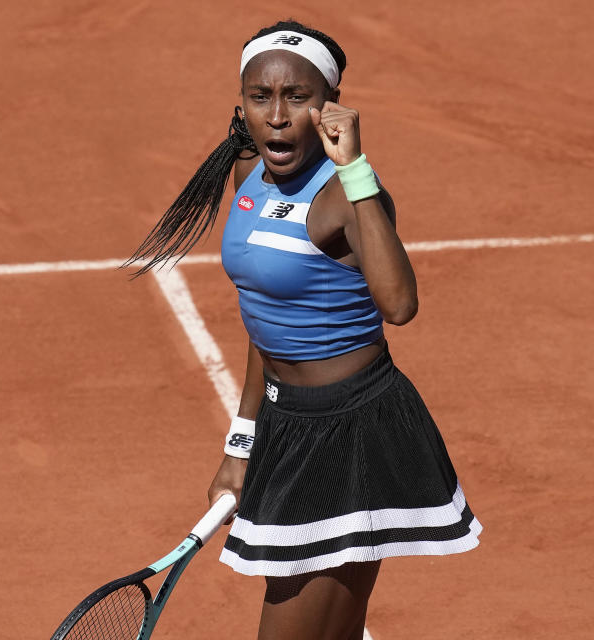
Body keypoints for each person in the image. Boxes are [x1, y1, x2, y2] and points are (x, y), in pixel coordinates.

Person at [126, 20, 482, 640]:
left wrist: (357, 170)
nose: (278, 116)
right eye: (261, 97)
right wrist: (242, 444)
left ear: (328, 107)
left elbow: (399, 304)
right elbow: (265, 320)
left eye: (298, 97)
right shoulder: (246, 175)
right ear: (241, 106)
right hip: (286, 424)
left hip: (355, 437)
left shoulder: (348, 195)